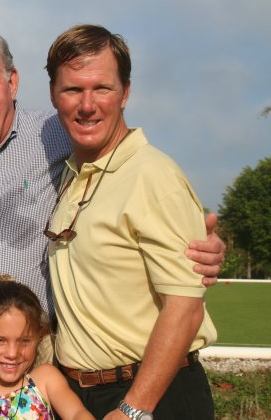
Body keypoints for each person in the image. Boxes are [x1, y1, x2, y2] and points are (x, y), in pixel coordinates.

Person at [0, 27, 226, 392]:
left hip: (42, 356)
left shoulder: (58, 131)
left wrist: (192, 239)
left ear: (13, 82)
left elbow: (129, 169)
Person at [45, 24, 218, 419]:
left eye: (102, 88)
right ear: (53, 95)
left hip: (152, 397)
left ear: (125, 92)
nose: (87, 105)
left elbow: (185, 308)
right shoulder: (73, 174)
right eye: (73, 89)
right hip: (84, 398)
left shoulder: (153, 175)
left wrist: (133, 409)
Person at [0, 275, 94, 420]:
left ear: (38, 337)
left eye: (24, 341)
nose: (12, 353)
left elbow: (77, 414)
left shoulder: (46, 380)